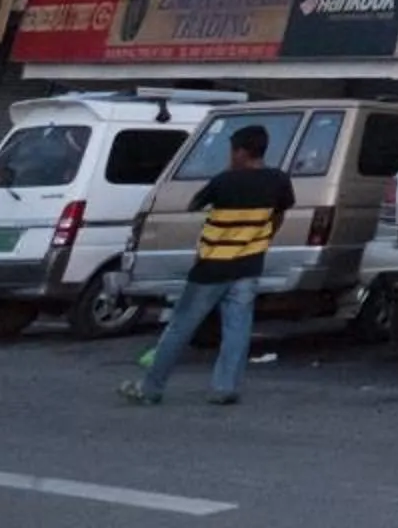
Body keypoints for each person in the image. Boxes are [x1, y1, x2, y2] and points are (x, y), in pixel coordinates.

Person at [120, 123, 294, 407]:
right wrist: (263, 237)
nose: (230, 156)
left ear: (241, 152)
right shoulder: (279, 180)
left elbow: (194, 204)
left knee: (180, 327)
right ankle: (224, 388)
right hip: (249, 264)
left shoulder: (223, 182)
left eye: (232, 151)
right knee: (237, 330)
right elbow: (279, 214)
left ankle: (151, 388)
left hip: (211, 267)